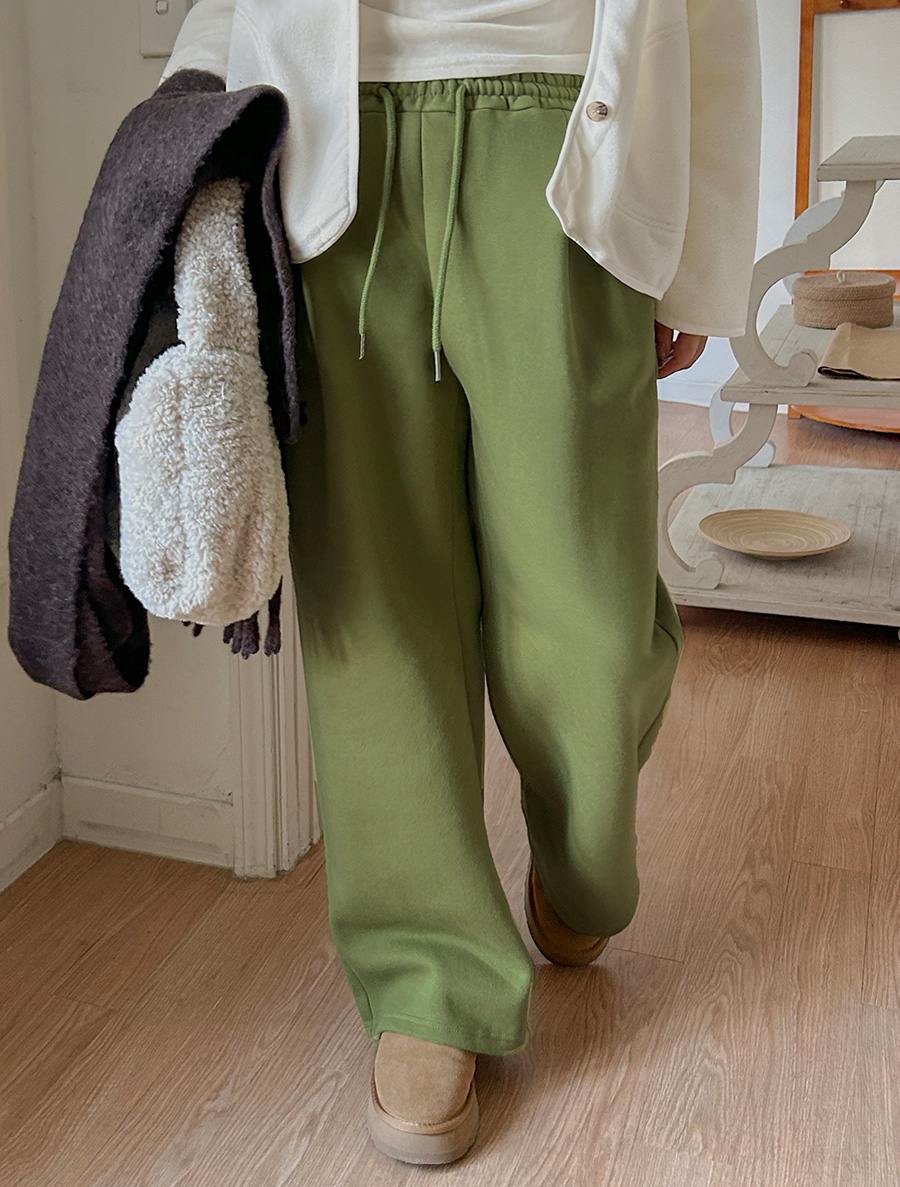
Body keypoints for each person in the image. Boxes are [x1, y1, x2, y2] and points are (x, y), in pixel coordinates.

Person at [159, 0, 762, 1166]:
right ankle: (426, 977)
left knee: (591, 619)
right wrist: (190, 94)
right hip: (332, 142)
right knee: (376, 607)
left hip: (569, 141)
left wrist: (700, 261)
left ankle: (584, 859)